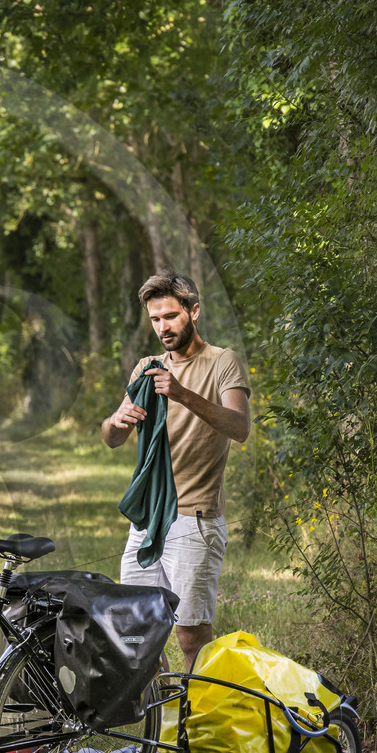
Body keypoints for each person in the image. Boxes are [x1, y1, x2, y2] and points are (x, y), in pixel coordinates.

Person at [102, 272, 250, 672]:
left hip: (194, 517)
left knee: (190, 635)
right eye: (155, 319)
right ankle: (164, 721)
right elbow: (112, 438)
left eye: (170, 316)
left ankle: (201, 720)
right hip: (149, 518)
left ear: (194, 311)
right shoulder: (147, 368)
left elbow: (240, 428)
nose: (163, 327)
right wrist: (118, 420)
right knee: (138, 631)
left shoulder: (222, 362)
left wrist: (182, 393)